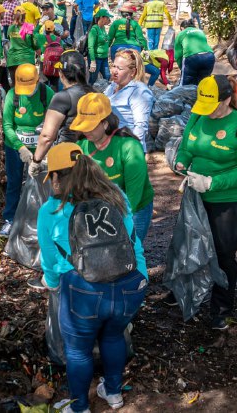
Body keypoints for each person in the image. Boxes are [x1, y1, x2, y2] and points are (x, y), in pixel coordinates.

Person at [37, 143, 147, 413]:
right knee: (113, 337)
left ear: (57, 178)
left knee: (78, 351)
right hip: (130, 285)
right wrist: (141, 276)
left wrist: (51, 283)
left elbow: (50, 260)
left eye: (51, 176)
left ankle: (79, 406)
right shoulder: (117, 195)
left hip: (84, 293)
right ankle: (113, 393)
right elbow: (134, 241)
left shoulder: (51, 211)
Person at [174, 75, 237, 329]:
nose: (207, 113)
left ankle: (222, 308)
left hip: (234, 202)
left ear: (227, 99)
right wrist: (181, 161)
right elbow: (188, 147)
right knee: (190, 243)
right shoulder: (198, 116)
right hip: (198, 197)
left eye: (213, 107)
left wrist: (211, 182)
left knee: (223, 254)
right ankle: (184, 291)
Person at [72, 92, 154, 241]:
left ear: (105, 123)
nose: (85, 131)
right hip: (99, 207)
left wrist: (116, 221)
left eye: (91, 126)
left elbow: (133, 196)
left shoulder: (129, 147)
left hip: (133, 207)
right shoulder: (81, 147)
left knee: (129, 249)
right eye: (83, 126)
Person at [0, 64, 54, 236]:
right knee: (14, 182)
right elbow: (7, 125)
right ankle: (9, 219)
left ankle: (39, 220)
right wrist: (20, 147)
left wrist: (40, 150)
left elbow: (54, 122)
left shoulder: (47, 94)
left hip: (40, 147)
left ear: (38, 80)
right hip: (15, 146)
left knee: (41, 183)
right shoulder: (12, 95)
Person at [29, 51, 94, 176]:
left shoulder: (62, 97)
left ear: (61, 74)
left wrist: (36, 161)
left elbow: (47, 137)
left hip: (67, 158)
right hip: (91, 155)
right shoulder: (94, 92)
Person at [104, 49, 154, 152]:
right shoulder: (112, 86)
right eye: (114, 66)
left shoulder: (140, 91)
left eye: (120, 68)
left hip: (127, 148)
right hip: (110, 145)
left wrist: (131, 151)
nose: (114, 71)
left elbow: (140, 126)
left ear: (133, 72)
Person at [174, 19, 214, 86]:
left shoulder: (181, 33)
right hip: (209, 56)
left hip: (192, 58)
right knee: (204, 83)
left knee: (185, 85)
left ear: (182, 28)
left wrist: (182, 67)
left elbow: (178, 54)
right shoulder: (200, 31)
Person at [6, 6, 41, 83]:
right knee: (28, 87)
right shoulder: (29, 27)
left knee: (15, 88)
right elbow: (35, 44)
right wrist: (40, 54)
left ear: (14, 16)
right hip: (27, 60)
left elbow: (9, 39)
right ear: (25, 16)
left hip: (13, 61)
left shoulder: (10, 28)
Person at [86, 8, 111, 84]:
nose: (109, 20)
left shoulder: (103, 28)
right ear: (101, 18)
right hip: (96, 59)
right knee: (93, 78)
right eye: (107, 18)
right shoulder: (94, 30)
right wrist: (93, 62)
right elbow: (91, 46)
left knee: (107, 76)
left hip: (104, 58)